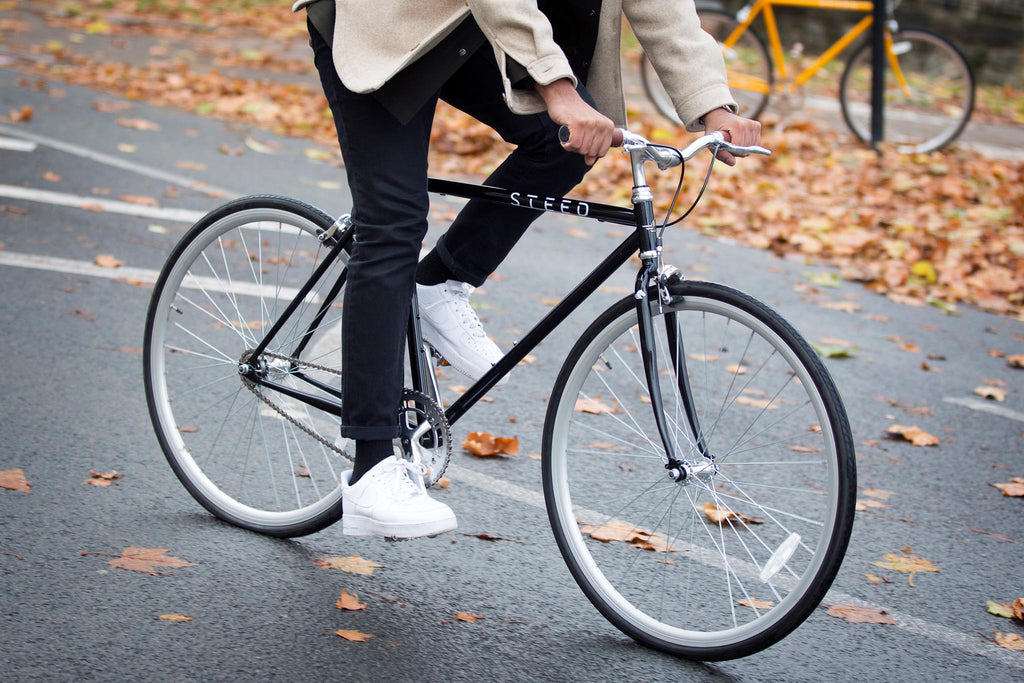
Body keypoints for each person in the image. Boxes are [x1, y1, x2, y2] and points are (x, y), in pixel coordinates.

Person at [294, 0, 761, 539]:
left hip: (477, 27)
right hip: (383, 24)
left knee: (567, 146)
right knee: (393, 221)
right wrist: (559, 91)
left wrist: (713, 107)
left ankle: (438, 282)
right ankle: (372, 466)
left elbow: (664, 9)